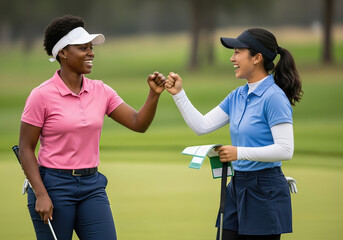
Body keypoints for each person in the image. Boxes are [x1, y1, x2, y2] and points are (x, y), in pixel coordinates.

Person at [19, 15, 166, 240]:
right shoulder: (41, 95)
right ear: (63, 53)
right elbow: (26, 148)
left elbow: (138, 123)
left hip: (92, 186)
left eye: (90, 48)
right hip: (54, 186)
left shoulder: (101, 90)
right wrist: (40, 194)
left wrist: (153, 95)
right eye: (82, 48)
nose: (91, 53)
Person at [165, 28, 303, 240]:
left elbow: (285, 149)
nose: (232, 58)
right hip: (238, 186)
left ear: (257, 57)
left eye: (238, 52)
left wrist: (239, 153)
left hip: (265, 189)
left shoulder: (274, 97)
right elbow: (201, 126)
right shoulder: (238, 95)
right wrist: (179, 94)